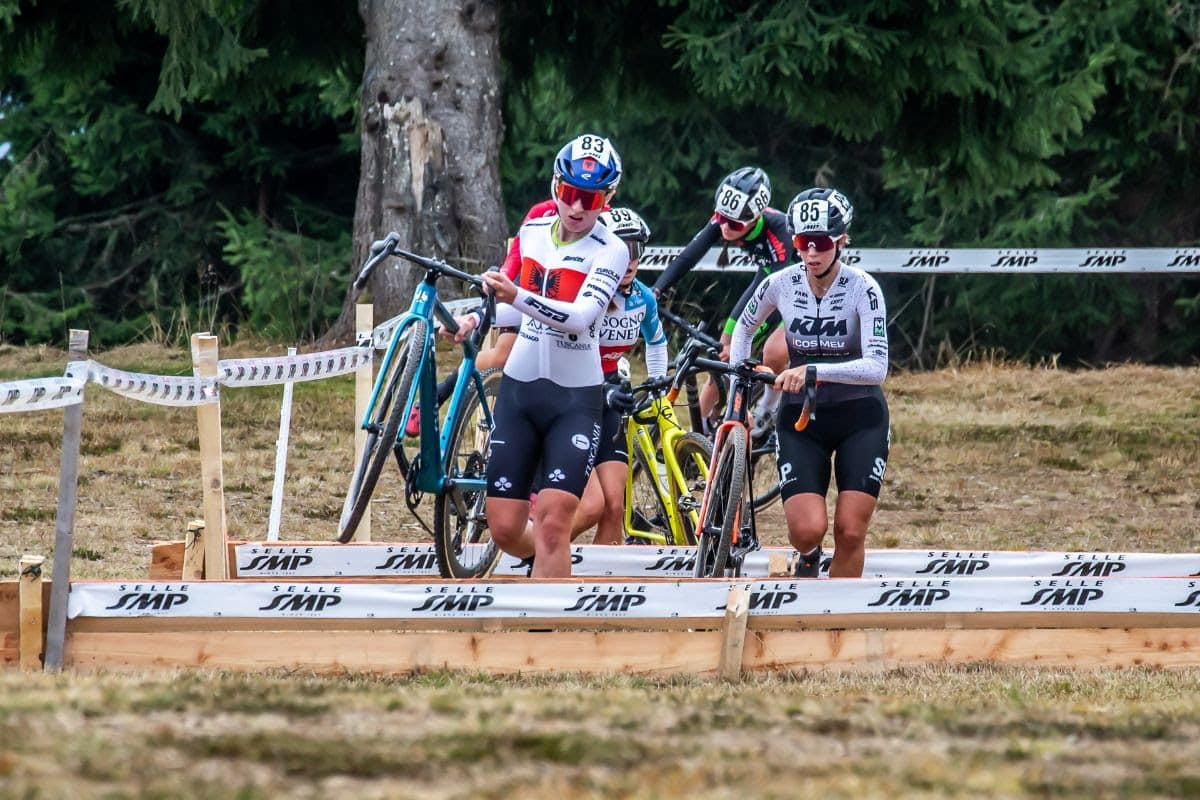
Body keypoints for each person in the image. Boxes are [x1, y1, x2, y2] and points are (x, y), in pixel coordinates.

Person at [449, 134, 627, 578]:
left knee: (552, 523)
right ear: (555, 186)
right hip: (520, 391)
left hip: (575, 399)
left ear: (607, 199)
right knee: (505, 528)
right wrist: (474, 319)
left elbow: (580, 317)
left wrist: (518, 295)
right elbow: (511, 303)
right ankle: (545, 568)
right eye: (570, 193)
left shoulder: (611, 249)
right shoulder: (531, 232)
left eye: (591, 198)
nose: (578, 207)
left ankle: (547, 612)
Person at [728, 187, 889, 579]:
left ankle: (839, 613)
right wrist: (738, 393)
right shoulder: (781, 283)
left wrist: (813, 370)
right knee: (806, 531)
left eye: (822, 244)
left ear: (842, 240)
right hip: (801, 418)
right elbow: (743, 330)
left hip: (860, 415)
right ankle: (810, 555)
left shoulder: (863, 287)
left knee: (850, 532)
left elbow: (877, 367)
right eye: (802, 243)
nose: (811, 254)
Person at [650, 167, 793, 430]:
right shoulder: (727, 217)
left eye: (734, 224)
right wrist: (656, 291)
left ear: (754, 218)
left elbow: (778, 294)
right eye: (721, 218)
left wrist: (744, 339)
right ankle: (700, 432)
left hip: (796, 289)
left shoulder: (780, 229)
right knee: (721, 356)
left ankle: (767, 409)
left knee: (773, 352)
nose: (725, 227)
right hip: (766, 277)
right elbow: (688, 257)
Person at [569, 208, 669, 545]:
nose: (629, 259)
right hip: (572, 394)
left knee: (614, 505)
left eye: (635, 249)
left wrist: (657, 384)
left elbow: (657, 342)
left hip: (610, 393)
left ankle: (602, 576)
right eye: (620, 249)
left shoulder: (643, 297)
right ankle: (538, 552)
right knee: (591, 507)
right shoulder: (588, 292)